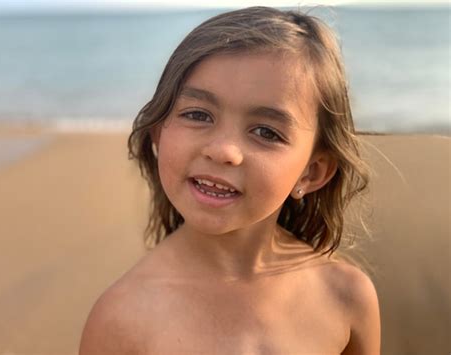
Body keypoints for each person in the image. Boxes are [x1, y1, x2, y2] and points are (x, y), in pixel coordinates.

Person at [80, 6, 380, 354]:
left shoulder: (346, 295)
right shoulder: (122, 317)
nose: (223, 150)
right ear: (158, 134)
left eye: (266, 132)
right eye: (198, 114)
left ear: (311, 172)